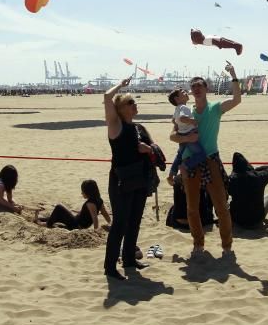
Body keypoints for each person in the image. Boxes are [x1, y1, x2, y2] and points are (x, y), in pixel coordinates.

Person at [169, 62, 240, 257]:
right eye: (193, 87)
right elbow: (172, 136)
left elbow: (236, 99)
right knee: (192, 209)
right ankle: (198, 244)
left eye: (200, 85)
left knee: (221, 206)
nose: (197, 89)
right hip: (190, 162)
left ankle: (227, 245)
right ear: (191, 92)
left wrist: (233, 74)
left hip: (210, 160)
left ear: (206, 88)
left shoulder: (216, 108)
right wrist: (186, 138)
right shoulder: (185, 111)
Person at [103, 78, 155, 280]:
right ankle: (109, 267)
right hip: (121, 180)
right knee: (120, 224)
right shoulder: (115, 125)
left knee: (134, 221)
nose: (135, 105)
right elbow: (107, 97)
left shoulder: (136, 128)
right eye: (130, 102)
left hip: (138, 178)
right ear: (121, 109)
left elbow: (142, 148)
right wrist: (121, 86)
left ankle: (129, 259)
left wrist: (146, 149)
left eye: (134, 102)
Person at [227, 152, 268, 229]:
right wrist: (255, 170)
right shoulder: (259, 176)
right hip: (256, 220)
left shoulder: (231, 180)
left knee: (227, 199)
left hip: (237, 220)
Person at [37, 180, 111, 230]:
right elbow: (105, 214)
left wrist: (96, 231)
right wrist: (110, 223)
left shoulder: (90, 203)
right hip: (77, 222)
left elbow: (95, 218)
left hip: (76, 225)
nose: (82, 193)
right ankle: (41, 219)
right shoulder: (99, 200)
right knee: (58, 216)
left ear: (88, 192)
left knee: (58, 207)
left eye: (83, 191)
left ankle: (47, 224)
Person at [167, 87, 206, 178]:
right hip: (189, 134)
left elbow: (174, 120)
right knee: (201, 154)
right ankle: (185, 166)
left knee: (179, 155)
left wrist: (179, 126)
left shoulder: (177, 108)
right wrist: (193, 121)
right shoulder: (183, 107)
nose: (185, 92)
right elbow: (182, 118)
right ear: (177, 99)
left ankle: (171, 174)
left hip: (181, 133)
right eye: (182, 92)